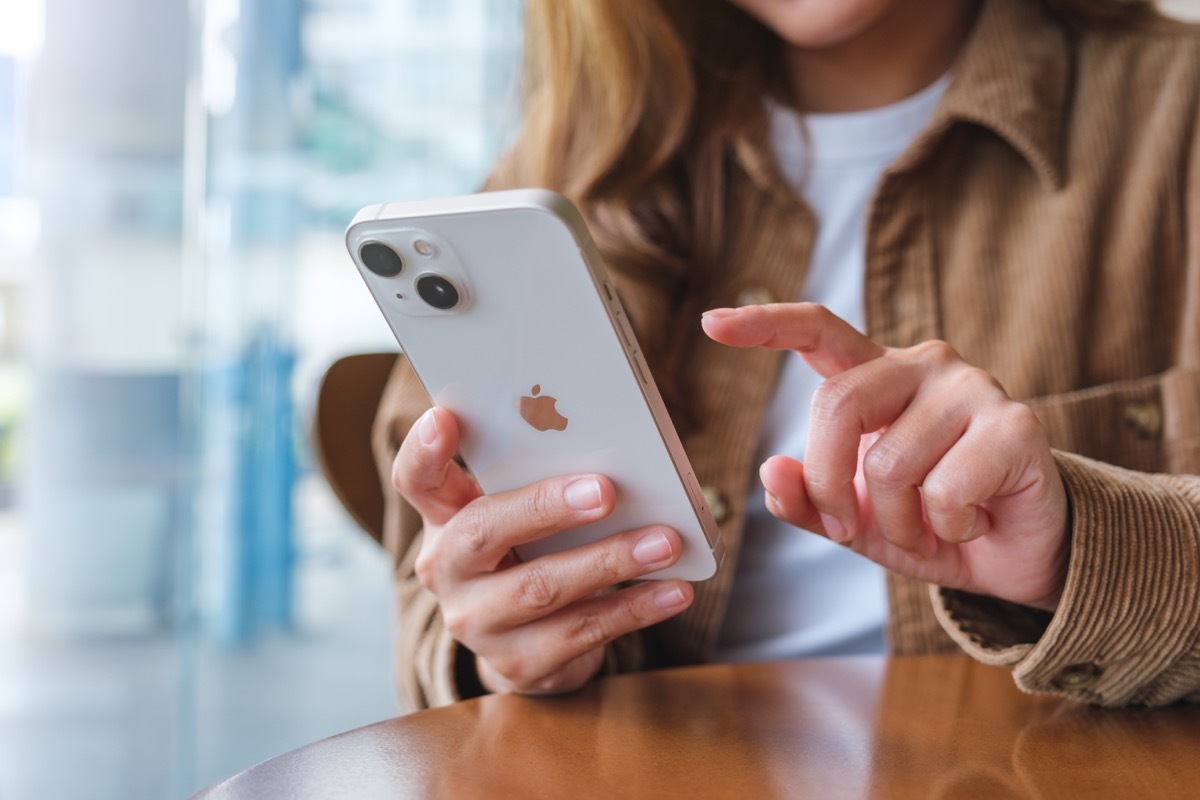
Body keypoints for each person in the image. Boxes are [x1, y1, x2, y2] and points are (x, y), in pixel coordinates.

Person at [372, 0, 1200, 710]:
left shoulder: (1176, 119)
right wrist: (506, 645)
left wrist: (1079, 552)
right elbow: (429, 589)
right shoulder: (564, 170)